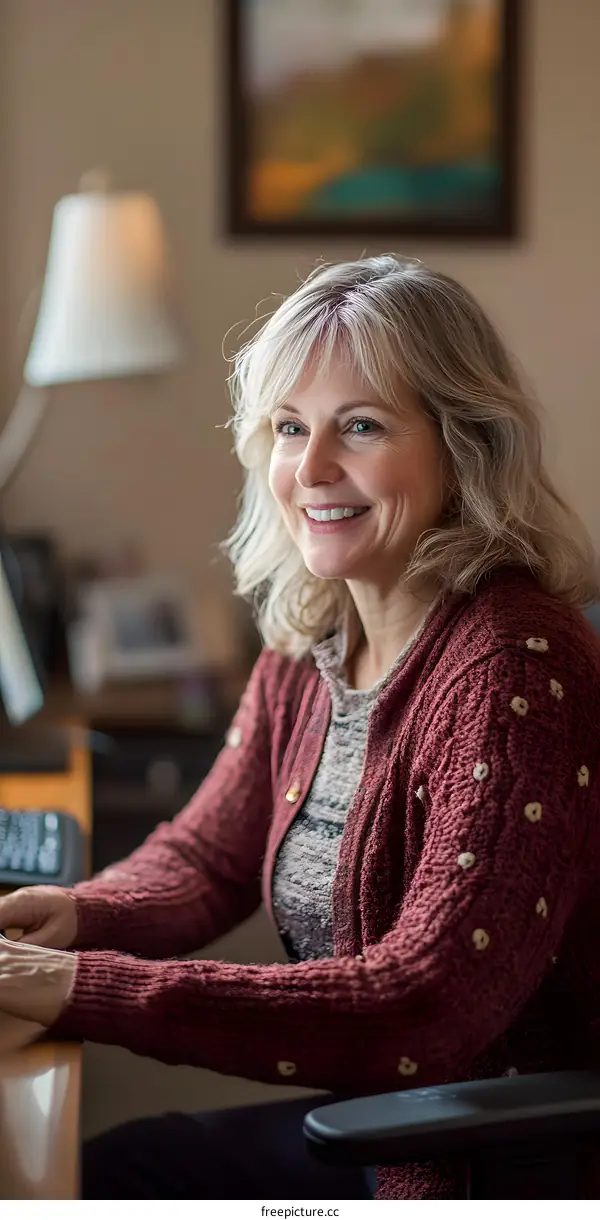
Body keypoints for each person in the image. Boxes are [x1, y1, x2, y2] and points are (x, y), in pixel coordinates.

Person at [1, 254, 600, 1200]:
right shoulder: (317, 624)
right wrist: (73, 917)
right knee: (101, 1174)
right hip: (386, 1134)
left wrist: (81, 988)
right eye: (289, 428)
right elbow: (208, 857)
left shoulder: (516, 665)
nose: (312, 469)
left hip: (492, 1169)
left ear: (462, 444)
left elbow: (422, 1005)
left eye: (359, 426)